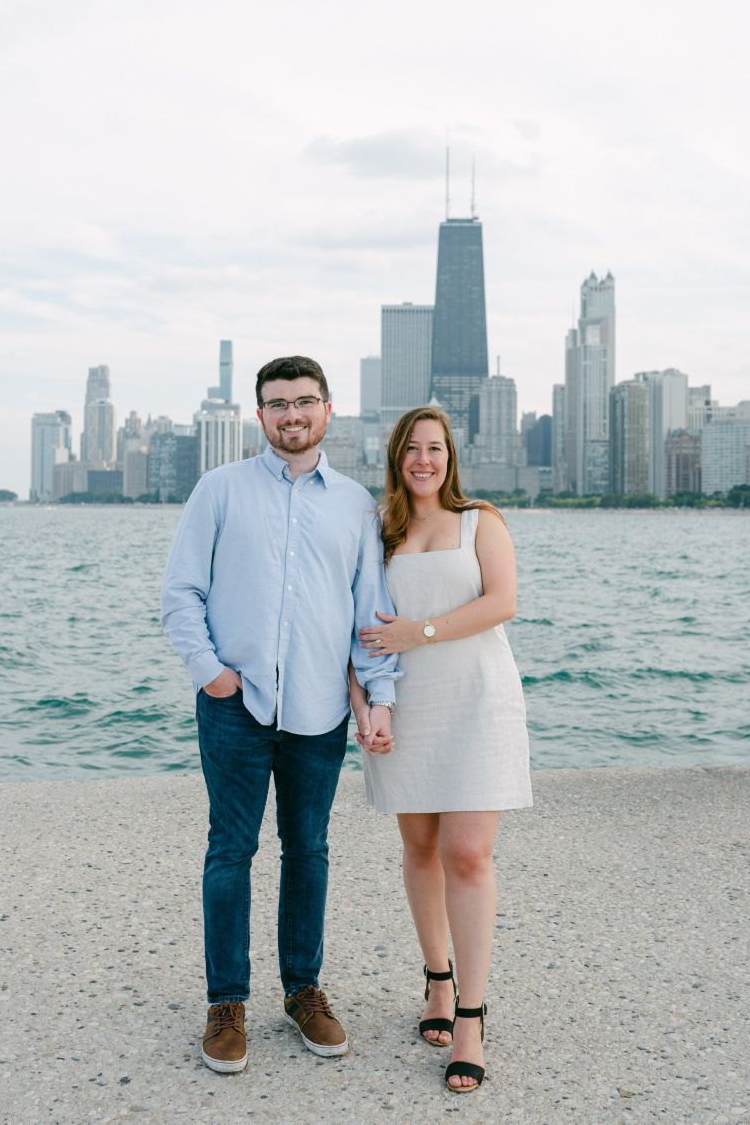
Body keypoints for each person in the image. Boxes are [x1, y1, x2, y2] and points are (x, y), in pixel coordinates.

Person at [161, 355, 399, 1075]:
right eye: (277, 404)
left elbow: (369, 615)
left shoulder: (356, 505)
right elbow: (181, 594)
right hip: (234, 706)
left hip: (318, 710)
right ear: (260, 414)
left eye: (304, 402)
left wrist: (379, 697)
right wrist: (212, 674)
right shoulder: (219, 489)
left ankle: (303, 991)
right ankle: (226, 1002)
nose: (292, 415)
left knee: (309, 850)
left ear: (327, 409)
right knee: (230, 850)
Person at [352, 405, 532, 1094]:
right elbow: (354, 626)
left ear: (451, 457)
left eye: (435, 448)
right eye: (411, 449)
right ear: (396, 458)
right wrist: (364, 707)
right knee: (421, 847)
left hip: (478, 702)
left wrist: (419, 631)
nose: (423, 460)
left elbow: (503, 601)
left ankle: (471, 1019)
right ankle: (436, 978)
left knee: (468, 854)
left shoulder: (480, 520)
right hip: (405, 708)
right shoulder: (378, 529)